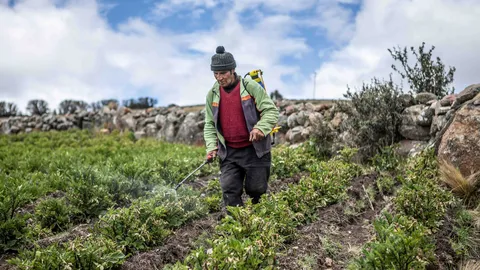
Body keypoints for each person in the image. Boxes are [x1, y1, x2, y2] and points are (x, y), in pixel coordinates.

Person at [203, 45, 279, 208]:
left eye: (222, 73)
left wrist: (260, 128)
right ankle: (236, 226)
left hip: (254, 150)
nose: (219, 77)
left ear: (232, 70)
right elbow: (210, 124)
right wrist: (211, 147)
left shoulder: (249, 86)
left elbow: (271, 111)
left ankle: (258, 224)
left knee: (256, 190)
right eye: (215, 73)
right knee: (229, 189)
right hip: (229, 152)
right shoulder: (212, 94)